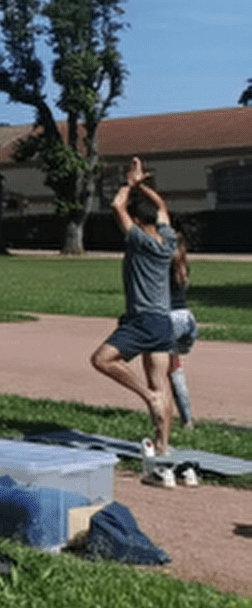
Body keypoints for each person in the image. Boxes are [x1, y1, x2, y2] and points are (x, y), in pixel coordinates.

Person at [91, 157, 179, 483]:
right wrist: (144, 187)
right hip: (162, 323)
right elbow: (164, 207)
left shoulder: (139, 241)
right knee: (163, 383)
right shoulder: (167, 241)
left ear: (139, 224)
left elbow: (116, 206)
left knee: (102, 359)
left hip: (141, 320)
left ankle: (147, 397)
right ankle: (163, 447)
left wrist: (129, 183)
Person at [167, 235, 198, 433]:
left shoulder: (161, 267)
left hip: (169, 320)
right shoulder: (183, 266)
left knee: (161, 373)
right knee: (175, 368)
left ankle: (174, 421)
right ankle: (187, 420)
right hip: (187, 319)